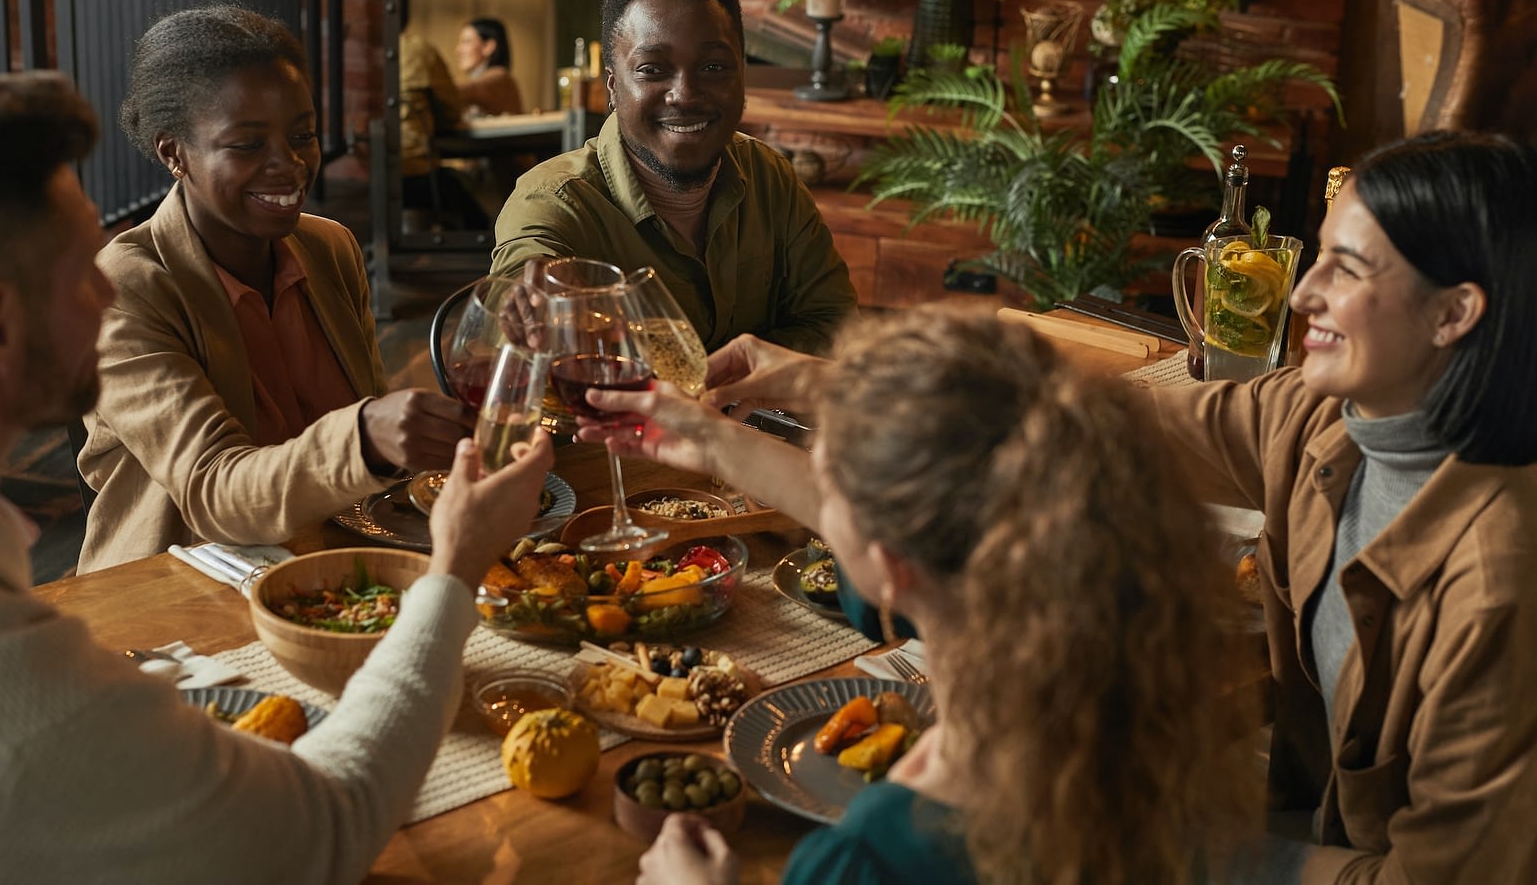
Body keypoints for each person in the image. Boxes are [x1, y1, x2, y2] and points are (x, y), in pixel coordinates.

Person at [0, 71, 555, 882]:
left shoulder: (323, 247)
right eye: (80, 267)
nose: (106, 289)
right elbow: (329, 823)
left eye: (300, 133)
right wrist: (459, 566)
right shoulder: (21, 707)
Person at [581, 304, 1258, 883]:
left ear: (891, 568)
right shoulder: (1130, 726)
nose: (820, 496)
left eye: (831, 479)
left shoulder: (869, 859)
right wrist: (715, 439)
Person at [1145, 130, 1537, 880]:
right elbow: (1130, 425)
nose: (1301, 294)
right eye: (1318, 254)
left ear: (1452, 314)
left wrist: (1190, 856)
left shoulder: (1498, 586)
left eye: (1347, 269)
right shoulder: (1332, 414)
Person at [77, 4, 470, 571]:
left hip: (336, 568)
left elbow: (371, 460)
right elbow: (213, 494)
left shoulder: (330, 248)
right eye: (247, 145)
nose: (289, 164)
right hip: (176, 594)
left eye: (303, 134)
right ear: (174, 153)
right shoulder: (128, 285)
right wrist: (365, 435)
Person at [489, 0, 856, 354]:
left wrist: (728, 383)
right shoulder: (555, 199)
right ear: (613, 86)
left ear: (741, 75)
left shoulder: (772, 178)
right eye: (653, 70)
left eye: (713, 67)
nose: (684, 93)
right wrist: (529, 293)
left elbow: (835, 325)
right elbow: (525, 270)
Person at [398, 0, 501, 230]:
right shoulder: (419, 51)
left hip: (370, 176)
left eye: (466, 41)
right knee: (478, 217)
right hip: (415, 175)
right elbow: (450, 112)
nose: (458, 49)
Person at [453, 15, 524, 119]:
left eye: (466, 42)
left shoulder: (500, 77)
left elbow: (466, 90)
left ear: (488, 46)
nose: (458, 50)